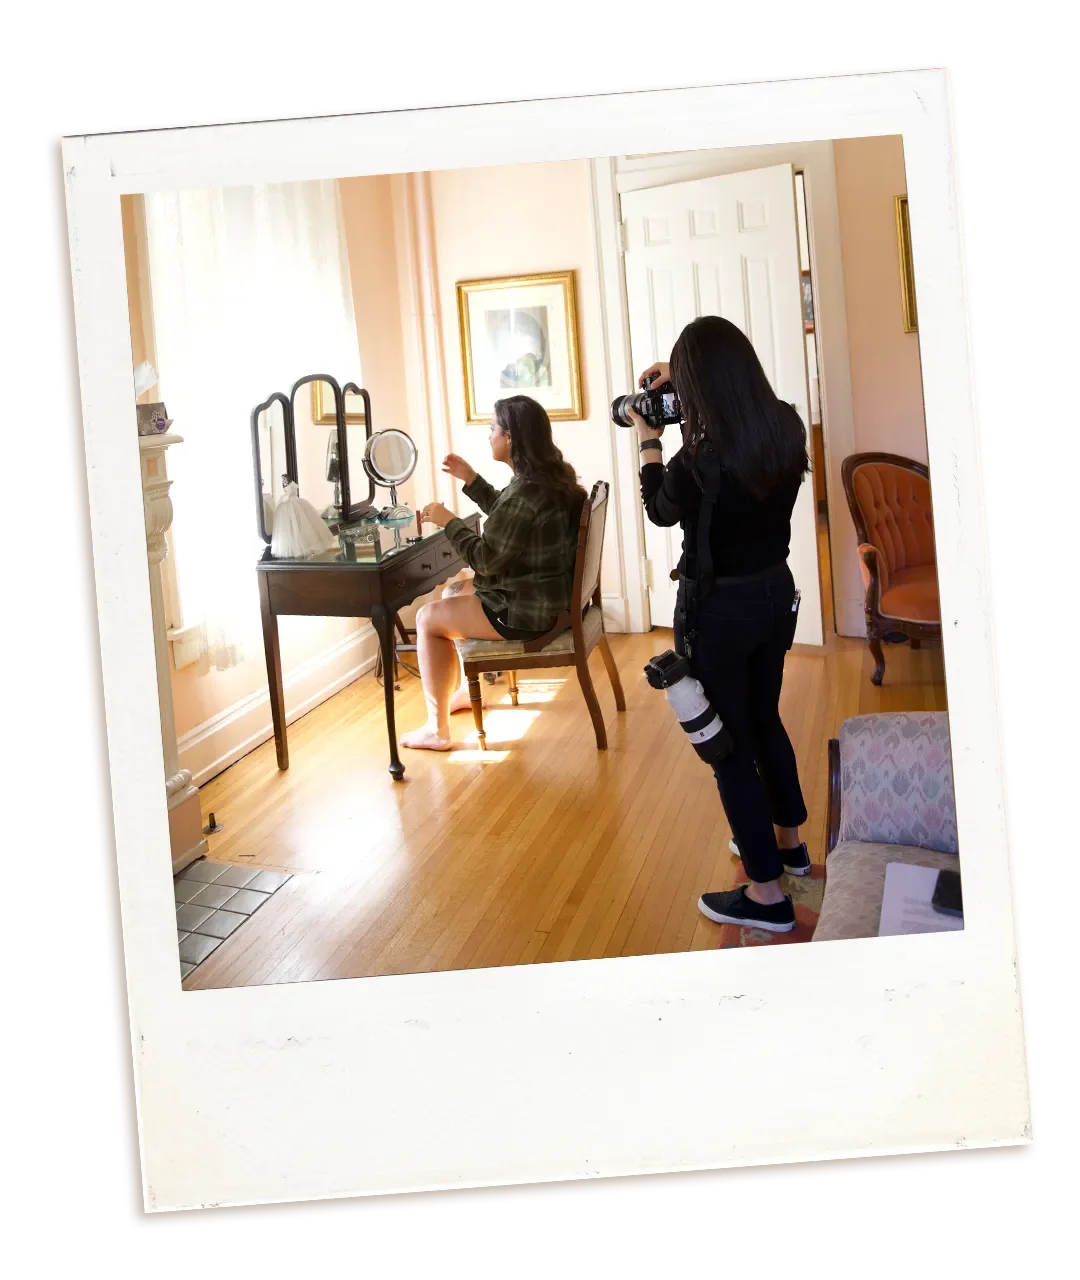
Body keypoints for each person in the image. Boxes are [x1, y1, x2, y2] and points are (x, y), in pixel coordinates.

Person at [628, 315, 812, 933]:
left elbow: (658, 508)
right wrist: (679, 375)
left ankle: (766, 896)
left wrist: (648, 440)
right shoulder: (783, 424)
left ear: (699, 385)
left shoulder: (698, 459)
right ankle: (789, 845)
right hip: (775, 595)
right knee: (765, 717)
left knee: (724, 744)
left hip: (719, 612)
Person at [401, 395, 586, 752]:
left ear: (511, 438)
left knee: (426, 618)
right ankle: (457, 693)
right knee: (450, 595)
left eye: (492, 430)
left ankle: (436, 731)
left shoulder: (527, 493)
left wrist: (448, 522)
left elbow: (485, 560)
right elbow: (509, 516)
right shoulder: (545, 480)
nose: (489, 436)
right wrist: (471, 479)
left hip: (527, 611)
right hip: (544, 595)